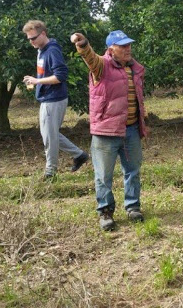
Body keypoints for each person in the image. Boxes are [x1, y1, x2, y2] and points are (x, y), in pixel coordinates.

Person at [70, 30, 148, 231]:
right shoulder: (102, 66)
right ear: (111, 49)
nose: (128, 48)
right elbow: (90, 58)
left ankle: (133, 206)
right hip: (106, 132)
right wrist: (83, 45)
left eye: (129, 45)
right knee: (103, 175)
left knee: (133, 171)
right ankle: (105, 212)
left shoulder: (134, 69)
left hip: (130, 129)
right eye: (123, 46)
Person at [22, 20, 89, 180]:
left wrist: (37, 81)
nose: (31, 42)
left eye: (34, 38)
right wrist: (34, 81)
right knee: (49, 134)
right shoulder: (41, 50)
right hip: (47, 98)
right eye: (29, 39)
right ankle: (79, 155)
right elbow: (46, 73)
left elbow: (61, 76)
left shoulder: (52, 51)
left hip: (54, 99)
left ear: (43, 33)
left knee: (49, 136)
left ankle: (50, 172)